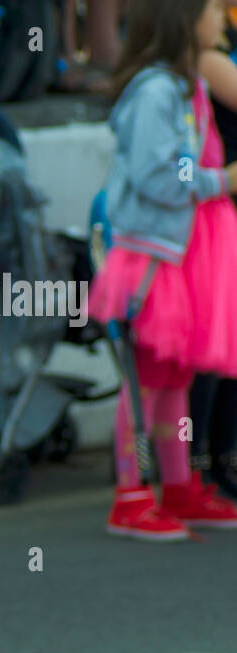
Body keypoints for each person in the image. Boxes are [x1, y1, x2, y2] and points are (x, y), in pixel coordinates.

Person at [89, 0, 237, 539]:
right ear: (184, 17)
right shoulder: (156, 92)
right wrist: (221, 182)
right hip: (152, 261)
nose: (224, 16)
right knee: (144, 384)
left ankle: (177, 487)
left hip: (174, 257)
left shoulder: (182, 86)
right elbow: (162, 173)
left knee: (174, 381)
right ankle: (130, 497)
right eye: (214, 8)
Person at [190, 1, 237, 501]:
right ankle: (197, 464)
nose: (223, 13)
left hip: (222, 214)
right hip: (216, 217)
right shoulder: (205, 62)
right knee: (212, 353)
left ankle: (220, 461)